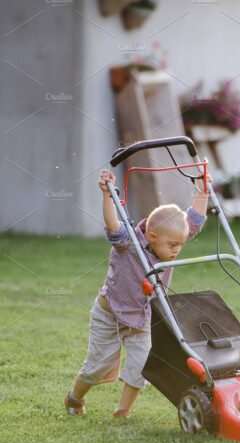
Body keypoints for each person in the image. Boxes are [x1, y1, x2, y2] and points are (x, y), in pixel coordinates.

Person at [64, 168, 212, 418]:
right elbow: (113, 225)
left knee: (140, 366)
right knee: (97, 367)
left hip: (142, 318)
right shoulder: (128, 244)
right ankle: (75, 398)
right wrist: (106, 195)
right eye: (173, 245)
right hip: (108, 315)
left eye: (180, 245)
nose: (177, 250)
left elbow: (195, 218)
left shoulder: (172, 237)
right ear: (152, 237)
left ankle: (123, 411)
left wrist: (203, 188)